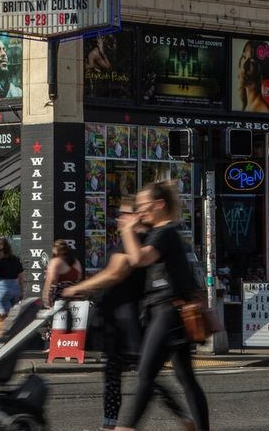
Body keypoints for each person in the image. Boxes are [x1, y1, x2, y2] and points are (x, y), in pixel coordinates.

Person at [64, 203, 191, 431]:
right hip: (117, 314)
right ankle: (111, 424)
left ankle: (179, 416)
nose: (120, 218)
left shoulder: (138, 239)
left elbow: (116, 270)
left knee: (141, 373)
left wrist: (80, 287)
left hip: (127, 317)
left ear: (137, 215)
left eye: (125, 213)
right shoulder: (134, 238)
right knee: (118, 371)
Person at [114, 182, 209, 431]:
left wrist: (127, 230)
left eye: (143, 207)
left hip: (168, 311)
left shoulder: (165, 232)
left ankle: (126, 427)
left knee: (146, 374)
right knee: (186, 379)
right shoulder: (163, 232)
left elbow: (139, 258)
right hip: (173, 311)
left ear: (159, 205)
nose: (140, 212)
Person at [0, 238, 24, 318]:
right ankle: (16, 330)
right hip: (16, 288)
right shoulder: (16, 260)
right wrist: (22, 291)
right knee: (14, 318)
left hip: (3, 287)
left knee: (5, 319)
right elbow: (21, 277)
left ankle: (7, 329)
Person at [42, 239, 83, 304]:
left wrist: (46, 297)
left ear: (55, 250)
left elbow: (51, 281)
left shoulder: (55, 262)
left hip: (59, 299)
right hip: (75, 299)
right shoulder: (76, 262)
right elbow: (79, 278)